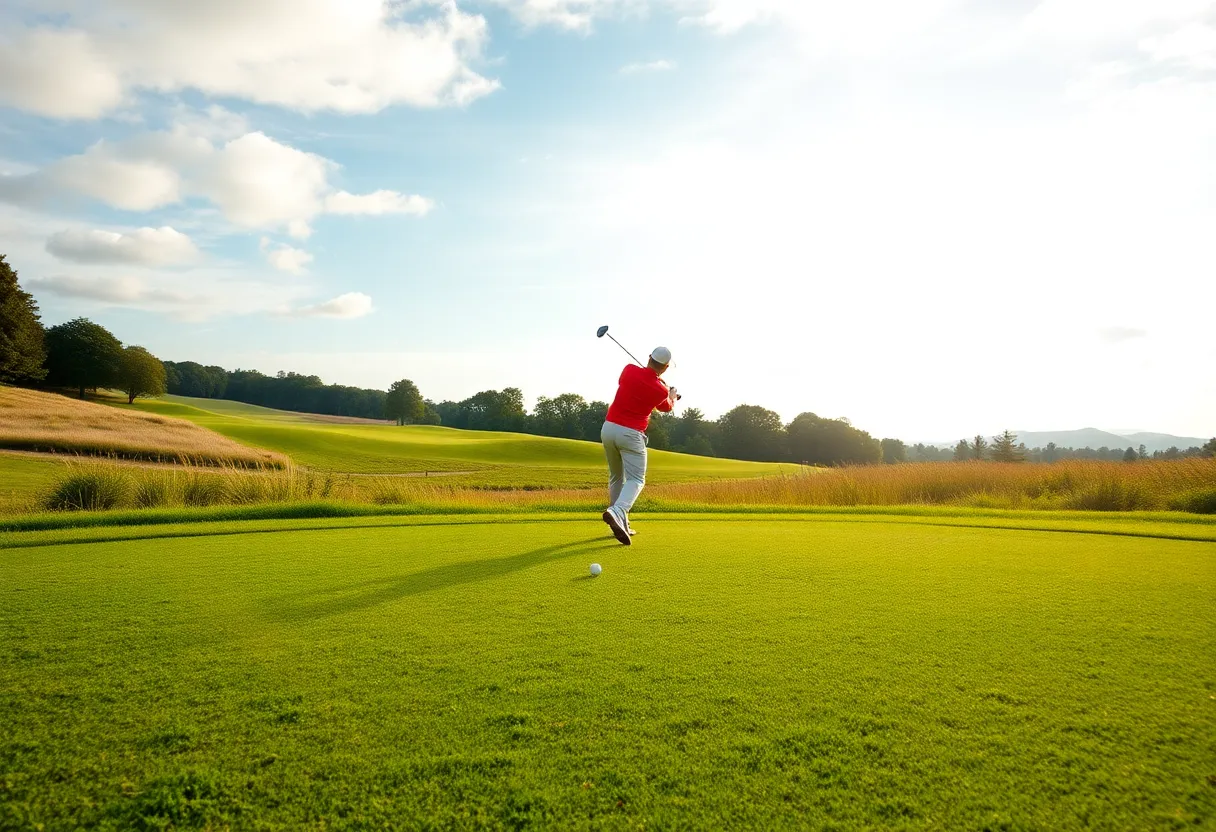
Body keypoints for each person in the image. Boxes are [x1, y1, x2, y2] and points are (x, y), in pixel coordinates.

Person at [601, 346, 679, 545]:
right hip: (630, 434)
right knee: (636, 479)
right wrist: (671, 394)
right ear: (666, 367)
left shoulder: (628, 370)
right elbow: (666, 407)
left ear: (649, 357)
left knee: (616, 476)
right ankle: (617, 511)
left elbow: (634, 383)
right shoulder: (660, 389)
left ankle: (621, 524)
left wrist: (657, 382)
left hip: (608, 428)